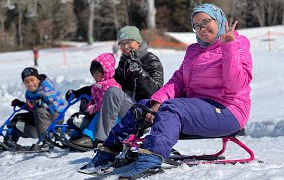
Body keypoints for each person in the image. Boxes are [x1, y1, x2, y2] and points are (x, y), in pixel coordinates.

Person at [79, 3, 252, 179]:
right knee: (141, 107)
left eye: (206, 22)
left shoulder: (237, 45)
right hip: (197, 107)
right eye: (197, 25)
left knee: (172, 108)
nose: (202, 29)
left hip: (227, 110)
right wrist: (156, 102)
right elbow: (178, 81)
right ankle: (109, 151)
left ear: (219, 20)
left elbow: (236, 85)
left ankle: (151, 158)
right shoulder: (194, 50)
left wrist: (228, 47)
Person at [65, 26, 164, 150]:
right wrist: (79, 92)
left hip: (143, 109)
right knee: (101, 93)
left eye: (128, 42)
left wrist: (139, 72)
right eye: (121, 44)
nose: (125, 47)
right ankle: (81, 131)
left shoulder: (150, 60)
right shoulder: (124, 62)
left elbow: (157, 91)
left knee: (112, 92)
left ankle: (101, 139)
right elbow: (108, 82)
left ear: (137, 42)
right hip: (128, 107)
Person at [4, 67, 65, 150]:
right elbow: (32, 108)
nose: (30, 84)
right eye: (26, 82)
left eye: (32, 80)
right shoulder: (29, 93)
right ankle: (9, 141)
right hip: (40, 116)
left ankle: (46, 141)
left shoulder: (47, 90)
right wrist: (20, 104)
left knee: (39, 111)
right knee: (18, 117)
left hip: (56, 117)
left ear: (38, 79)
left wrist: (37, 104)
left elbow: (54, 108)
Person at [67, 53, 121, 144]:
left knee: (97, 115)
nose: (95, 76)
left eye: (97, 73)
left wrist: (94, 108)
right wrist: (90, 105)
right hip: (100, 112)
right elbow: (94, 99)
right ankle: (80, 133)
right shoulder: (98, 86)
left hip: (113, 117)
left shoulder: (112, 86)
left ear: (106, 72)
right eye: (93, 74)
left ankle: (89, 136)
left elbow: (107, 103)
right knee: (89, 115)